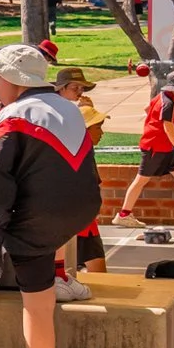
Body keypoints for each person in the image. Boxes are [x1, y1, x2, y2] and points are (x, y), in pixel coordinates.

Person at [0, 42, 102, 348]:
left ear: (14, 80)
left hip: (37, 222)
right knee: (52, 221)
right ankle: (61, 276)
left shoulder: (9, 119)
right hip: (82, 209)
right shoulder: (71, 108)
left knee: (37, 308)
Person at [48, 67, 105, 292]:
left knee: (95, 271)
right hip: (72, 216)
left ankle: (66, 276)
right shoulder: (57, 116)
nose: (80, 92)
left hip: (81, 215)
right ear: (60, 88)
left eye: (82, 88)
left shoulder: (72, 115)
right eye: (75, 87)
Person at [117, 68, 174, 223]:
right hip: (155, 147)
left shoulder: (163, 96)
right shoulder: (169, 103)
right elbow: (168, 128)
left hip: (163, 146)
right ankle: (123, 215)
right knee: (141, 180)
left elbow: (148, 109)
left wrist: (154, 124)